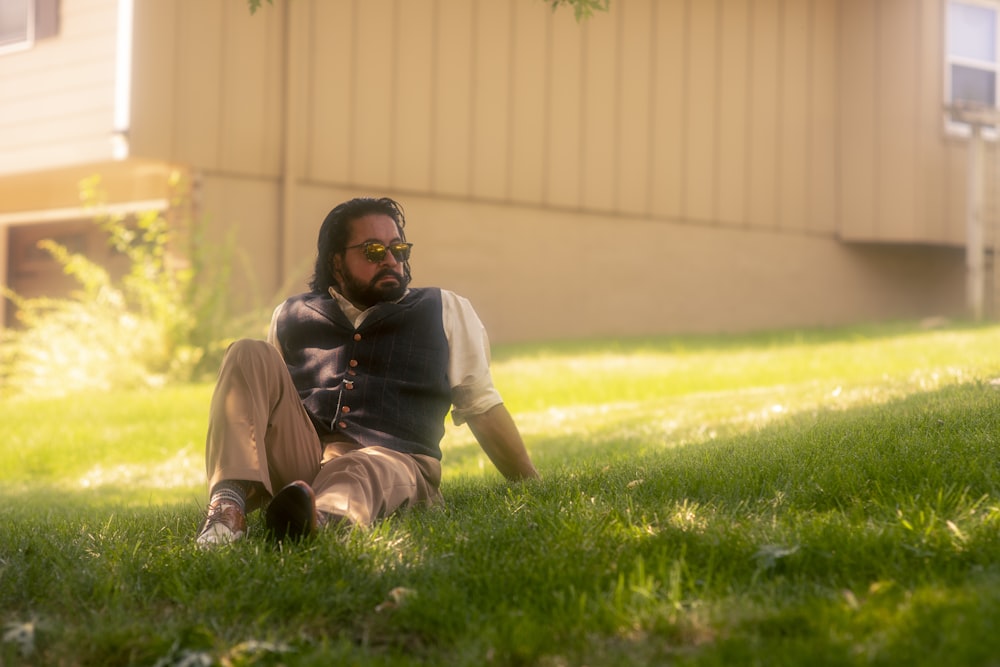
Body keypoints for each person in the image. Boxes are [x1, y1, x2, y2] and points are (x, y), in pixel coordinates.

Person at [196, 196, 539, 545]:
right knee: (247, 352)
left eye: (398, 249)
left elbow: (480, 405)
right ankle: (227, 509)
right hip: (307, 459)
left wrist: (532, 486)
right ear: (337, 262)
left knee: (360, 465)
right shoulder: (290, 315)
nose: (391, 260)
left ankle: (317, 520)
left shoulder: (445, 309)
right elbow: (266, 403)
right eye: (374, 251)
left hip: (397, 464)